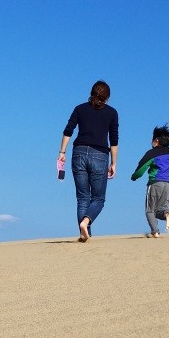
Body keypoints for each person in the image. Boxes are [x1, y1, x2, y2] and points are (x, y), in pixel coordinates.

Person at [58, 80, 119, 242]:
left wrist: (62, 152)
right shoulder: (112, 113)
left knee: (83, 197)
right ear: (107, 97)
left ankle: (84, 234)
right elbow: (114, 140)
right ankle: (86, 223)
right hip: (100, 154)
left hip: (78, 153)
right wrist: (114, 162)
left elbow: (68, 130)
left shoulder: (80, 109)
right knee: (98, 199)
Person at [131, 121, 169, 238]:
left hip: (155, 183)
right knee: (161, 209)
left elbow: (141, 167)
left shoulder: (151, 153)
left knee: (150, 210)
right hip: (167, 185)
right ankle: (166, 214)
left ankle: (155, 231)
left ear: (156, 141)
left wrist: (134, 177)